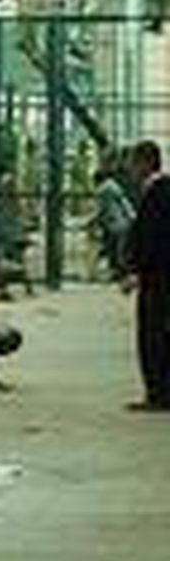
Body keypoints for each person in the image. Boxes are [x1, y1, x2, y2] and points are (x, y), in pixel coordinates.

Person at [124, 140, 170, 411]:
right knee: (158, 332)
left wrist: (137, 271)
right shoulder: (158, 190)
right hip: (157, 276)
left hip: (158, 278)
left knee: (153, 333)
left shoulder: (158, 193)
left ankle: (159, 393)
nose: (130, 169)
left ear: (144, 162)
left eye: (132, 162)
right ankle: (159, 391)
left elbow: (153, 239)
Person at [92, 155, 136, 283]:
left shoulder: (103, 190)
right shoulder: (114, 186)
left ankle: (122, 275)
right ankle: (120, 274)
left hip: (115, 224)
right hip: (123, 222)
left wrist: (92, 220)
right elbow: (124, 203)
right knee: (119, 250)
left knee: (117, 251)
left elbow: (101, 210)